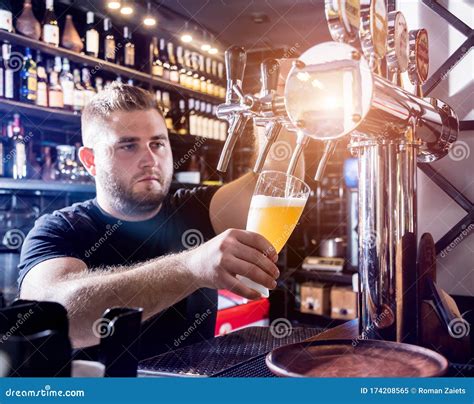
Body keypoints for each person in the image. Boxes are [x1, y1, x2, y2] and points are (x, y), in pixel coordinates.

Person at [18, 83, 303, 359]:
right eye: (128, 146)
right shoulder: (59, 230)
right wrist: (191, 267)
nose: (150, 159)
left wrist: (279, 110)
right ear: (90, 160)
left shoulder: (196, 208)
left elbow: (278, 180)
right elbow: (51, 315)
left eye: (158, 143)